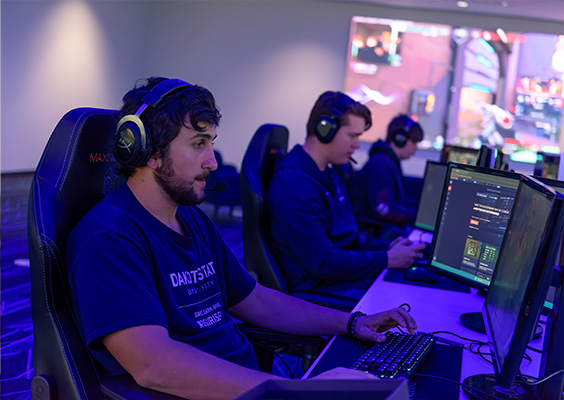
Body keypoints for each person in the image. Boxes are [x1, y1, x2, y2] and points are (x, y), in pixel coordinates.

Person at [67, 78, 419, 400]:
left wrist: (353, 323)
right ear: (149, 152)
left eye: (211, 144)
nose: (212, 162)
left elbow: (258, 302)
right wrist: (296, 392)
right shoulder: (110, 238)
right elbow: (153, 365)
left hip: (251, 387)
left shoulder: (190, 218)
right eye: (198, 144)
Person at [267, 92, 425, 300]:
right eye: (353, 136)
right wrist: (386, 259)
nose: (358, 144)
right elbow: (321, 263)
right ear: (325, 130)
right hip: (317, 291)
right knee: (405, 301)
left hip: (338, 279)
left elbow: (348, 239)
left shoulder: (329, 175)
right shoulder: (295, 184)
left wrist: (388, 247)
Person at [352, 114, 423, 238]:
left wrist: (419, 210)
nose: (415, 148)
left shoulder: (388, 161)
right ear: (400, 139)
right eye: (414, 142)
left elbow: (392, 201)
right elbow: (383, 209)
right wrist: (418, 217)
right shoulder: (382, 165)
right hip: (375, 233)